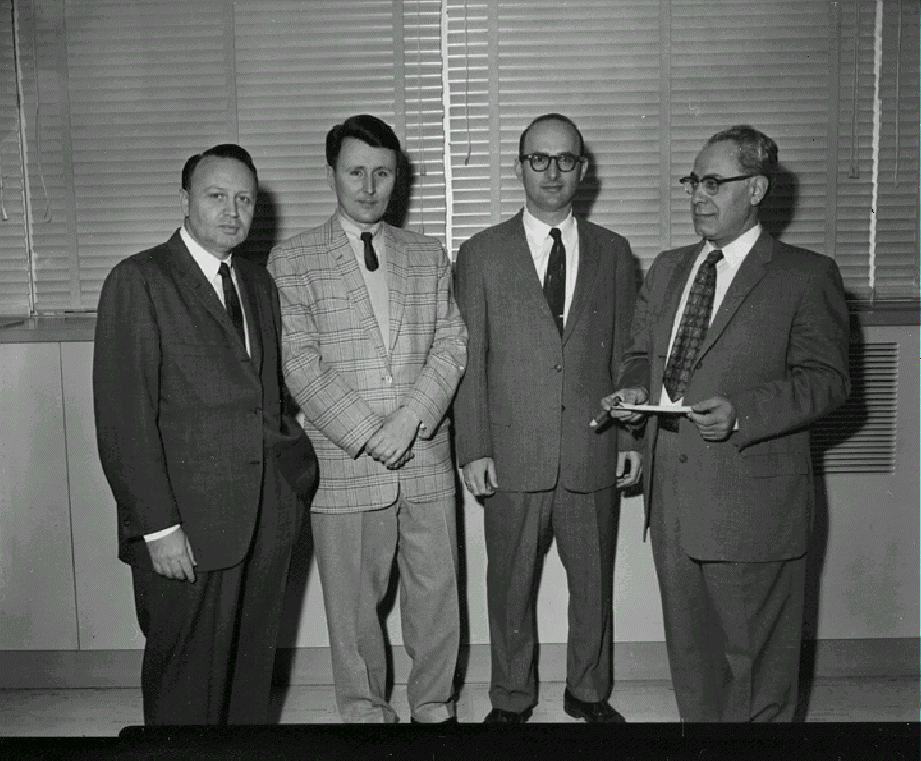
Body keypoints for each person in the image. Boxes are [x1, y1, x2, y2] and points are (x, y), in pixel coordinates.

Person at [605, 125, 850, 722]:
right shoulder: (667, 269)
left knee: (759, 678)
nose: (698, 195)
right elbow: (643, 352)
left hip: (754, 504)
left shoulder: (804, 274)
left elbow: (829, 379)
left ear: (758, 188)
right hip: (674, 506)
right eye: (694, 181)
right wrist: (637, 386)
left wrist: (745, 412)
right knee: (694, 672)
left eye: (715, 182)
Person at [93, 143, 318, 725]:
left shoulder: (256, 283)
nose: (232, 210)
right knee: (183, 692)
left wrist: (289, 493)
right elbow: (124, 420)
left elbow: (266, 400)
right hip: (185, 531)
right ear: (186, 200)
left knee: (250, 689)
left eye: (244, 199)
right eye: (216, 196)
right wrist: (158, 527)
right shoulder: (139, 280)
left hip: (264, 521)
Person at [267, 115, 467, 724]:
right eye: (356, 172)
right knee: (353, 608)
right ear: (332, 174)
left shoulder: (427, 255)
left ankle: (434, 706)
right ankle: (365, 714)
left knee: (436, 596)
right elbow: (298, 363)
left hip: (425, 456)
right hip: (345, 463)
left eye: (383, 173)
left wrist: (410, 421)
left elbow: (452, 342)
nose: (369, 186)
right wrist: (368, 433)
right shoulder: (293, 259)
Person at [453, 113, 640, 724]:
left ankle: (588, 692)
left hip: (592, 449)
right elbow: (470, 358)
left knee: (593, 589)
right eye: (540, 159)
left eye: (566, 160)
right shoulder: (480, 254)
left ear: (583, 169)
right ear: (519, 167)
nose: (553, 172)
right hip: (511, 455)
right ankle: (511, 697)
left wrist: (631, 435)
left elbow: (627, 355)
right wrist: (473, 448)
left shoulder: (614, 252)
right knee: (508, 590)